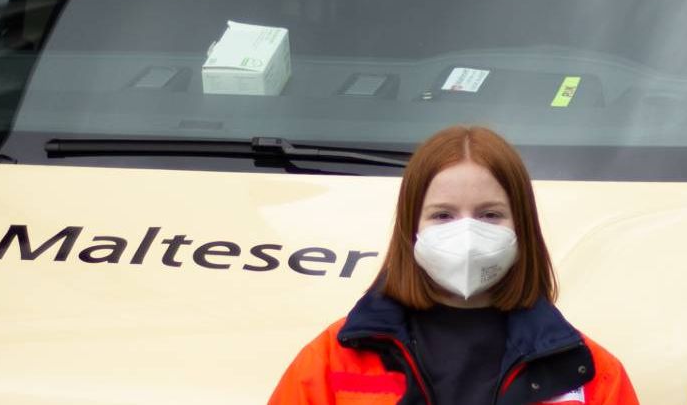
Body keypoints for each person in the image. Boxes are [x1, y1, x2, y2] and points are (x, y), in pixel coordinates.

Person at [268, 126, 637, 405]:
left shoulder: (589, 374)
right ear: (411, 229)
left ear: (522, 228)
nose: (467, 232)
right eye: (443, 215)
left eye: (490, 215)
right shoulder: (333, 361)